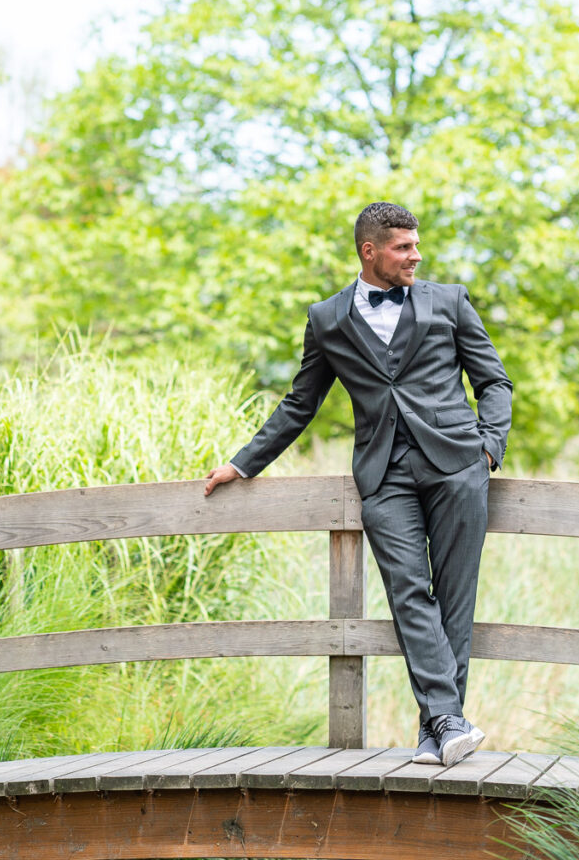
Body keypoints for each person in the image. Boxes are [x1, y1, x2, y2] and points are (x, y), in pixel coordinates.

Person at [205, 201, 513, 767]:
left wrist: (489, 446)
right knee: (408, 592)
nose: (415, 255)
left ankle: (436, 730)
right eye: (403, 247)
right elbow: (300, 403)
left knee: (454, 599)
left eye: (416, 245)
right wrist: (243, 463)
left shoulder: (449, 301)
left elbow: (493, 381)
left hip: (456, 465)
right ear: (370, 251)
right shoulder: (328, 319)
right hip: (384, 474)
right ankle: (448, 722)